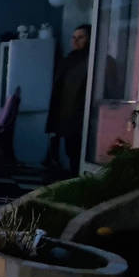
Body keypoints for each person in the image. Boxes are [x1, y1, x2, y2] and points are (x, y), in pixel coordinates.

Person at [46, 24, 91, 171]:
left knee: (80, 154)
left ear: (89, 39)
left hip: (83, 118)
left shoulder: (93, 61)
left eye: (80, 37)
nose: (75, 41)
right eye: (73, 37)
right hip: (67, 117)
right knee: (71, 153)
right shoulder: (69, 60)